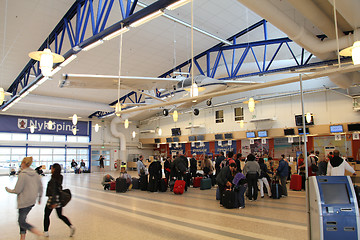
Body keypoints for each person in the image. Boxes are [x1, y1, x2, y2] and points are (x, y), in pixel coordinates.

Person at [5, 156, 43, 240]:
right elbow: (40, 187)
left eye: (21, 163)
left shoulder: (22, 175)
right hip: (32, 201)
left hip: (24, 201)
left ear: (23, 163)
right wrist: (39, 198)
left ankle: (35, 230)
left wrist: (8, 190)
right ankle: (22, 237)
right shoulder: (35, 173)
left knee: (21, 221)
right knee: (22, 219)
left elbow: (17, 190)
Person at [43, 163, 75, 237]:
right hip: (59, 198)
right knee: (60, 215)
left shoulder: (53, 178)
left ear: (54, 169)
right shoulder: (60, 177)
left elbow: (54, 190)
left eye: (52, 168)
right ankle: (71, 226)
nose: (51, 169)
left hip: (52, 199)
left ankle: (46, 231)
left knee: (47, 215)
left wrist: (53, 202)